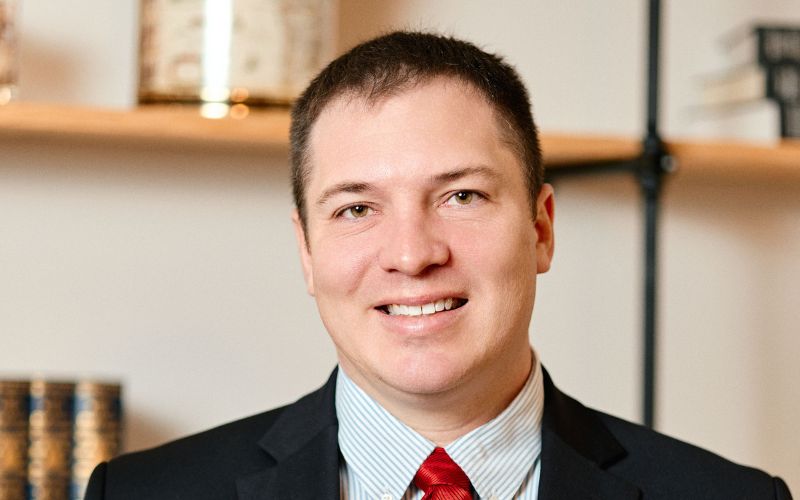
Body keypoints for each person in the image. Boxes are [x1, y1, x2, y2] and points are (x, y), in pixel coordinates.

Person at [84, 31, 792, 500]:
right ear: (306, 250)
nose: (413, 254)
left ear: (541, 228)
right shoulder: (146, 493)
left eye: (461, 195)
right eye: (357, 209)